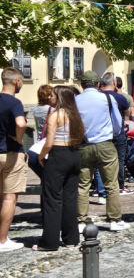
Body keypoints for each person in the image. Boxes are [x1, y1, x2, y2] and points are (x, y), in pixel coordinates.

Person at [33, 86, 85, 251]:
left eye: (54, 95)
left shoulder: (55, 115)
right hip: (74, 154)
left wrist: (41, 157)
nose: (51, 97)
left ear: (60, 97)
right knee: (70, 198)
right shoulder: (75, 114)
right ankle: (71, 238)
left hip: (58, 155)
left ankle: (50, 242)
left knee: (52, 199)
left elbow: (48, 142)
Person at [74, 71, 127, 232]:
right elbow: (117, 123)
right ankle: (114, 219)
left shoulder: (75, 101)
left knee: (82, 185)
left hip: (83, 145)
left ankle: (81, 221)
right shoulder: (107, 98)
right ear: (98, 84)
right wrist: (113, 133)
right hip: (105, 144)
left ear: (82, 85)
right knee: (111, 183)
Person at [0, 68, 27, 251]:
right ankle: (2, 240)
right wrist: (18, 138)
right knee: (9, 197)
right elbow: (21, 123)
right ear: (16, 82)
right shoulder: (14, 102)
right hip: (10, 152)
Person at [99, 73, 133, 195]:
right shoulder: (120, 97)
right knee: (119, 159)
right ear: (114, 83)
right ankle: (120, 185)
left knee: (102, 161)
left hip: (102, 132)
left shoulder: (98, 96)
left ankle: (101, 187)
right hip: (118, 131)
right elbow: (128, 112)